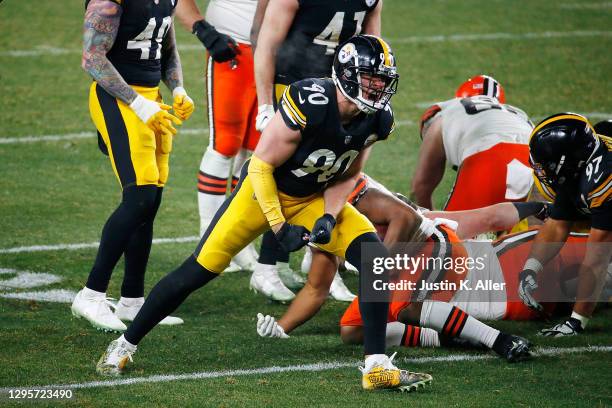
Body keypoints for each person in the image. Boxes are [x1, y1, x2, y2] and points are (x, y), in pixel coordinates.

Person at [96, 35, 434, 392]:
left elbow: (346, 173)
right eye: (370, 78)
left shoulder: (377, 120)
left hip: (312, 197)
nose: (379, 87)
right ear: (347, 76)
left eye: (383, 79)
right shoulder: (311, 100)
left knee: (374, 259)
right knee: (198, 270)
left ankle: (376, 366)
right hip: (261, 193)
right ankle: (125, 343)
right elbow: (259, 166)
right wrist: (278, 226)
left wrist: (330, 217)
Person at [256, 173, 538, 362]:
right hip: (395, 262)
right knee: (352, 329)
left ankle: (500, 340)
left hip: (431, 244)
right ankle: (451, 337)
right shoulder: (315, 218)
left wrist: (381, 266)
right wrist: (281, 328)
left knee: (405, 307)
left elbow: (405, 217)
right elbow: (316, 289)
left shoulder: (345, 189)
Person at [71, 0, 195, 332]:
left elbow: (164, 44)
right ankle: (92, 293)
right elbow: (92, 59)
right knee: (139, 196)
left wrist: (178, 87)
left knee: (150, 200)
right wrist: (138, 103)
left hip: (151, 99)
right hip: (117, 100)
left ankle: (132, 300)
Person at [249, 0, 384, 302]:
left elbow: (372, 46)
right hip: (292, 85)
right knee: (287, 175)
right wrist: (265, 104)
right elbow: (267, 43)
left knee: (328, 173)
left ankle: (310, 263)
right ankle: (266, 266)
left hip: (340, 93)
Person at [174, 0, 260, 273]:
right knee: (225, 144)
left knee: (255, 151)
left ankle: (239, 241)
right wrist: (202, 28)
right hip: (232, 49)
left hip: (272, 51)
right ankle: (208, 237)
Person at [518, 113, 611, 336]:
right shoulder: (578, 165)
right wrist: (531, 268)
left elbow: (598, 256)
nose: (540, 169)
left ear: (567, 160)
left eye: (546, 164)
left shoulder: (604, 178)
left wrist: (576, 321)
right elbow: (557, 225)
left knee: (574, 285)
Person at [412, 75, 534, 213]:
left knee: (453, 231)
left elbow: (421, 186)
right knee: (534, 231)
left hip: (489, 157)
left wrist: (429, 225)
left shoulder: (448, 109)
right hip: (536, 162)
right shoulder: (519, 114)